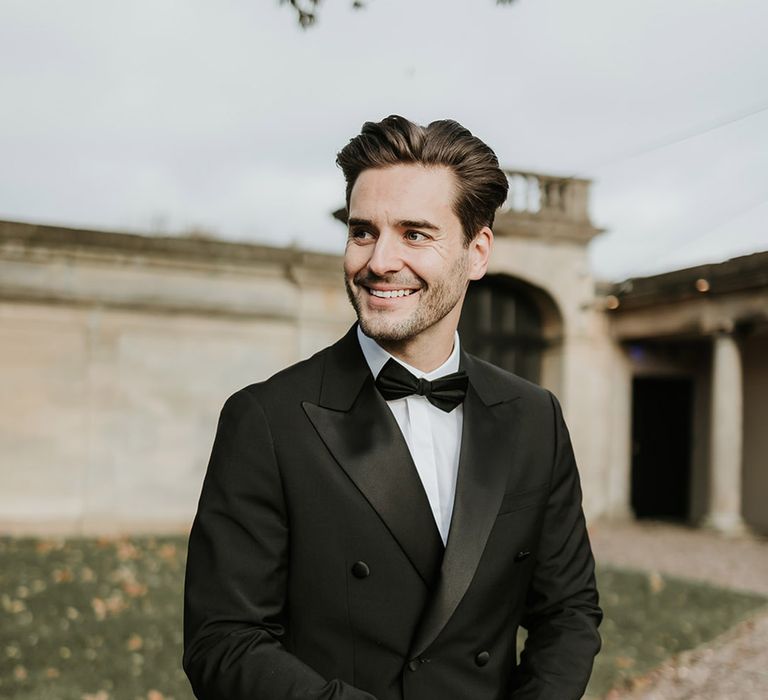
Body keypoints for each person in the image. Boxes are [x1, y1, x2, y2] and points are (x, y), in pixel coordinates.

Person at [183, 115, 602, 700]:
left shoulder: (534, 416)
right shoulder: (267, 419)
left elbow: (569, 612)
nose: (379, 261)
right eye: (362, 232)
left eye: (415, 233)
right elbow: (223, 641)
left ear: (476, 251)